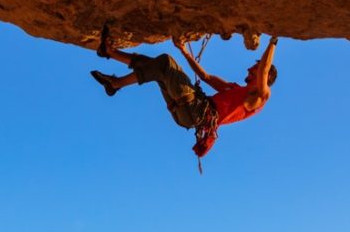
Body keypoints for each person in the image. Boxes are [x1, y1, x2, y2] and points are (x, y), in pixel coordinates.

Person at [90, 27, 278, 158]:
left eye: (254, 67)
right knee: (156, 67)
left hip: (196, 112)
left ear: (265, 75)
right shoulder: (235, 89)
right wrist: (184, 52)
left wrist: (273, 40)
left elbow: (264, 68)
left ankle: (116, 84)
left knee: (165, 63)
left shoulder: (260, 97)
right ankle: (110, 52)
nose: (249, 68)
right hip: (188, 113)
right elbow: (205, 76)